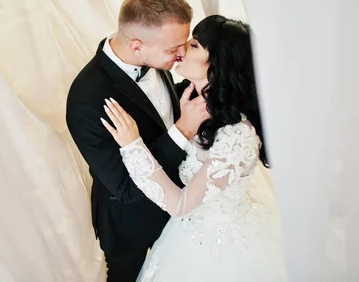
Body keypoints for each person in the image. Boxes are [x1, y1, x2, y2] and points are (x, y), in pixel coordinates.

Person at [101, 15, 286, 281]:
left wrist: (133, 146)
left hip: (220, 251)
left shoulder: (237, 135)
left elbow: (181, 205)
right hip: (182, 236)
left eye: (195, 44)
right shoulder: (196, 103)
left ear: (219, 62)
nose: (183, 47)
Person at [66, 0, 211, 282]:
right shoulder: (87, 99)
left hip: (184, 210)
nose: (182, 54)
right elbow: (126, 188)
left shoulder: (155, 57)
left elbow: (158, 112)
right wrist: (183, 129)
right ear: (136, 46)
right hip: (132, 223)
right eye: (174, 49)